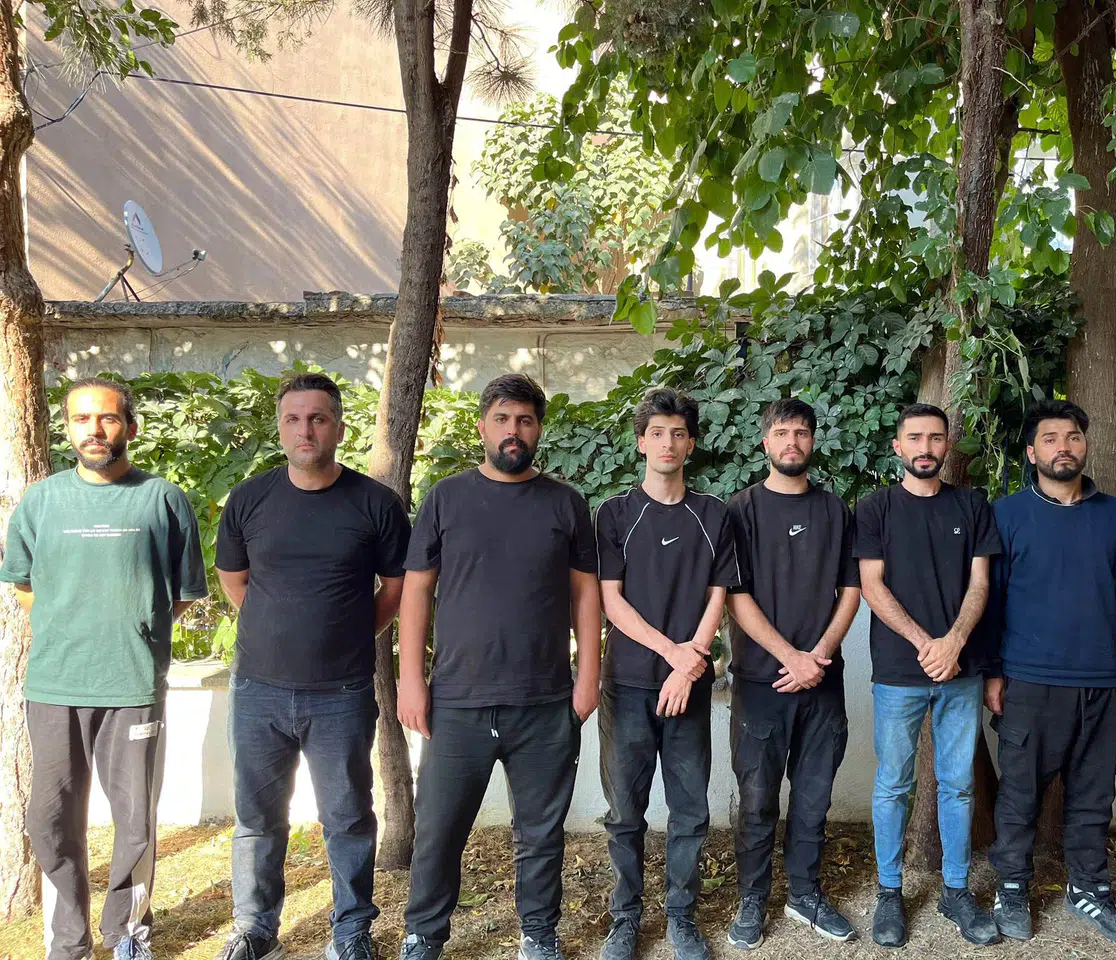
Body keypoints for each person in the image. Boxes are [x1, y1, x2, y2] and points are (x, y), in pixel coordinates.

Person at [0, 377, 207, 960]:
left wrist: (133, 628)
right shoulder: (41, 501)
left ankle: (126, 935)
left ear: (130, 428)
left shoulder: (163, 499)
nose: (94, 429)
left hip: (132, 684)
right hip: (55, 685)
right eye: (81, 419)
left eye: (108, 418)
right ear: (67, 428)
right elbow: (22, 584)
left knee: (135, 820)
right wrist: (71, 626)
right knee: (50, 820)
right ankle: (68, 941)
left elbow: (182, 594)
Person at [396, 373, 602, 960]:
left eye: (526, 421)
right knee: (439, 830)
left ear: (538, 430)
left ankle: (538, 934)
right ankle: (424, 934)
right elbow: (416, 590)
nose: (514, 431)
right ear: (483, 426)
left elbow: (586, 594)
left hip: (544, 702)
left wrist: (588, 679)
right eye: (503, 419)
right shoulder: (446, 498)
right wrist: (411, 680)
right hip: (456, 701)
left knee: (540, 834)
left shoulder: (565, 503)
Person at [213, 372, 411, 960]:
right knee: (257, 818)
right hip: (258, 691)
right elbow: (234, 580)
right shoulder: (249, 499)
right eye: (294, 419)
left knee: (347, 817)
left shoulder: (376, 503)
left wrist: (347, 632)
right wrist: (277, 628)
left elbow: (396, 588)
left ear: (339, 428)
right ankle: (256, 930)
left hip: (341, 693)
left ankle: (350, 932)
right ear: (280, 428)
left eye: (318, 418)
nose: (306, 430)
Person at [983, 399, 1116, 944]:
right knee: (1020, 793)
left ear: (1085, 445)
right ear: (1032, 453)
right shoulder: (1007, 514)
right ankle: (1011, 887)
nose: (1063, 447)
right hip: (1030, 680)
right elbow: (991, 599)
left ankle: (1089, 888)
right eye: (1050, 439)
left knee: (1094, 794)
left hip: (1104, 680)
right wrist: (993, 672)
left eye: (1072, 437)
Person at [594, 388, 739, 960]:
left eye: (678, 433)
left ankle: (681, 916)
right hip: (628, 684)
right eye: (657, 433)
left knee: (690, 810)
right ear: (640, 443)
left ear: (691, 443)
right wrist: (671, 653)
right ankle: (625, 919)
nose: (668, 443)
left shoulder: (713, 513)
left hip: (690, 688)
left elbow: (718, 595)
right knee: (625, 813)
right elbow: (612, 601)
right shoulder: (614, 514)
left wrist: (690, 661)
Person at [856, 403, 1002, 948]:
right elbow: (872, 586)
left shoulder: (972, 504)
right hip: (900, 671)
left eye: (935, 438)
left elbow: (981, 583)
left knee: (958, 785)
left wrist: (954, 643)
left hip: (961, 669)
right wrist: (927, 644)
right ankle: (890, 892)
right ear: (898, 446)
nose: (925, 447)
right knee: (893, 784)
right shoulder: (875, 507)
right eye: (915, 438)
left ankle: (955, 891)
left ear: (946, 446)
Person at [724, 397, 861, 950]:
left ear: (812, 441)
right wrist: (790, 657)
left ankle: (804, 894)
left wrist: (817, 656)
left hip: (822, 681)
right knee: (757, 800)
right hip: (760, 683)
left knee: (813, 798)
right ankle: (752, 899)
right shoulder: (740, 510)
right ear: (766, 442)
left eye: (801, 433)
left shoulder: (835, 511)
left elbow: (851, 590)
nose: (792, 442)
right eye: (782, 433)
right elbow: (734, 596)